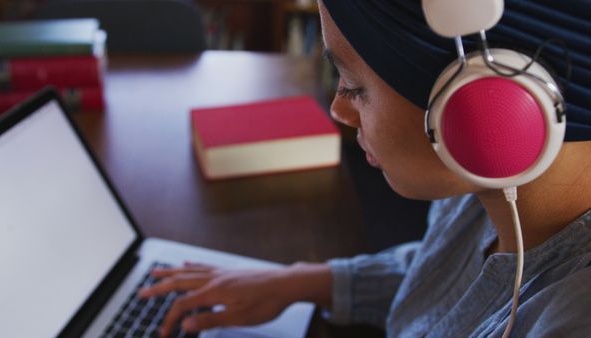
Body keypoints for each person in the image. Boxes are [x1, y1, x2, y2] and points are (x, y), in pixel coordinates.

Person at [140, 1, 591, 337]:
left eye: (354, 87)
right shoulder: (487, 190)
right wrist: (295, 283)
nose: (339, 109)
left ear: (489, 107)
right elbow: (442, 281)